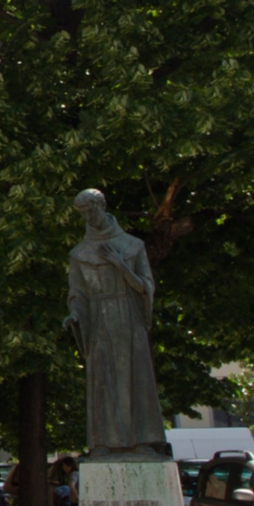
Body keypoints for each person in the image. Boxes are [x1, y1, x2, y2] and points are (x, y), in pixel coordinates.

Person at [65, 189, 170, 460]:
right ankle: (103, 441)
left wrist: (121, 266)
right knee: (102, 380)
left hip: (128, 318)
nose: (88, 216)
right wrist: (76, 313)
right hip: (98, 320)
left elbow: (146, 287)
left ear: (102, 205)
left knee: (135, 377)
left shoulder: (132, 245)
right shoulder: (79, 254)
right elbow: (77, 293)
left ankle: (141, 440)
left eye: (91, 209)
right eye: (82, 212)